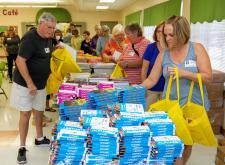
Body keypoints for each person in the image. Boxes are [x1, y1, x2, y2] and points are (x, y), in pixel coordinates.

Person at [141, 15, 212, 165]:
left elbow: (207, 77)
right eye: (165, 35)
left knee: (187, 144)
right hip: (172, 107)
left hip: (193, 106)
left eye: (171, 35)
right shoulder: (164, 54)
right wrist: (135, 89)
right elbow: (152, 79)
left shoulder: (197, 49)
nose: (167, 38)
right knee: (175, 144)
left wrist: (185, 73)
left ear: (182, 33)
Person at [10, 12, 57, 164]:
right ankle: (22, 147)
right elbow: (20, 61)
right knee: (25, 114)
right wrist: (29, 82)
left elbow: (47, 53)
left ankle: (39, 138)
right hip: (26, 84)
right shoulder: (30, 38)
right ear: (40, 24)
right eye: (49, 27)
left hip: (41, 84)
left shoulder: (49, 38)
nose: (51, 31)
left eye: (53, 28)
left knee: (39, 111)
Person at [141, 22, 165, 109]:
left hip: (167, 90)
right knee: (148, 111)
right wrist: (144, 88)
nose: (159, 34)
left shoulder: (171, 49)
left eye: (162, 32)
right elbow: (144, 68)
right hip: (151, 89)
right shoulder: (151, 47)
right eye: (158, 31)